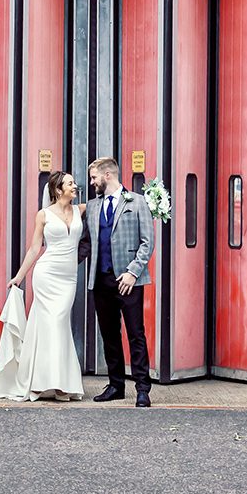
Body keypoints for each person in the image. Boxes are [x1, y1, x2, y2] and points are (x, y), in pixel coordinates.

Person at [0, 171, 86, 402]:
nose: (75, 186)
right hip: (46, 275)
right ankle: (43, 382)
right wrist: (19, 277)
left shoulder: (81, 210)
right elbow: (34, 249)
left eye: (74, 183)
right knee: (50, 324)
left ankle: (60, 382)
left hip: (68, 279)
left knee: (59, 324)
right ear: (58, 190)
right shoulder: (43, 215)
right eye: (70, 183)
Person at [84, 155, 155, 406]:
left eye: (94, 177)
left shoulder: (136, 202)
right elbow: (86, 243)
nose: (91, 182)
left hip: (129, 281)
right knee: (109, 335)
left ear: (107, 175)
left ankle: (143, 389)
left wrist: (132, 271)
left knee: (136, 334)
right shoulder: (92, 207)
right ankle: (116, 385)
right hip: (101, 281)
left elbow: (147, 242)